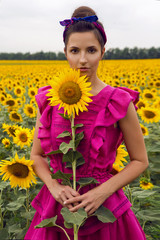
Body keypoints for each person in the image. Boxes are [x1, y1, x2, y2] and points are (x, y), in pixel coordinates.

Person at [24, 6, 148, 240]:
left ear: (103, 52)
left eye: (91, 50)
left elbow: (140, 160)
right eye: (75, 50)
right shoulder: (50, 99)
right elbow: (36, 156)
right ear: (65, 52)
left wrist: (102, 192)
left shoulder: (118, 101)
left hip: (103, 207)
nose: (83, 60)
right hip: (59, 205)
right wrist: (54, 186)